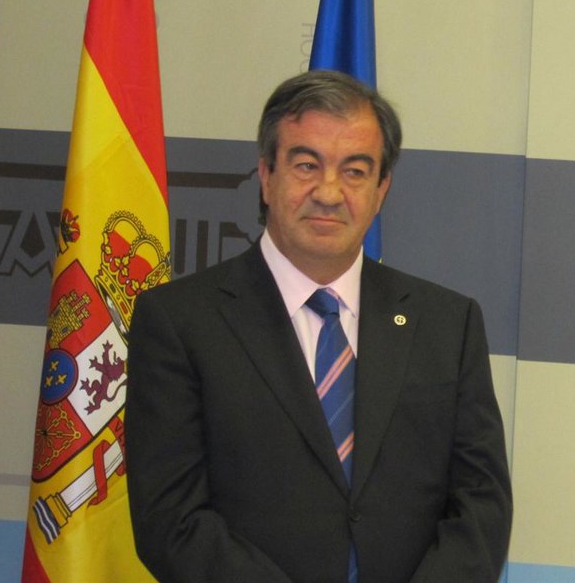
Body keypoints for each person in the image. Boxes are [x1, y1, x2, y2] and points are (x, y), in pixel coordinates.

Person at [126, 70, 512, 582]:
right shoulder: (179, 322)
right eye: (307, 165)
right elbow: (170, 520)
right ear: (266, 176)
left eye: (355, 171)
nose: (329, 192)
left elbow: (482, 506)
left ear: (381, 189)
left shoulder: (447, 324)